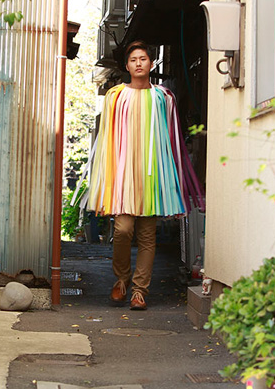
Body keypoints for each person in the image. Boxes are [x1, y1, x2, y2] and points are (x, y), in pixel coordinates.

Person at [85, 41, 203, 310]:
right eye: (133, 60)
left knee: (148, 236)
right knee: (124, 229)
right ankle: (121, 280)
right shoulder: (115, 96)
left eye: (143, 59)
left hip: (152, 175)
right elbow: (105, 140)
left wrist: (170, 177)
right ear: (127, 66)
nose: (138, 63)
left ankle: (140, 291)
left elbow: (171, 140)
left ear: (151, 64)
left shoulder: (164, 98)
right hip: (124, 176)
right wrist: (106, 178)